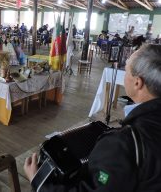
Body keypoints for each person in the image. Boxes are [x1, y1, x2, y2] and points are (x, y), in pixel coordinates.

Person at [24, 44, 161, 192]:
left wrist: (39, 183)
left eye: (126, 70)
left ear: (137, 83)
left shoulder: (123, 144)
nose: (124, 74)